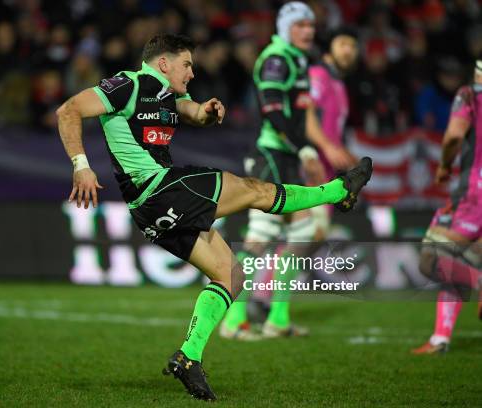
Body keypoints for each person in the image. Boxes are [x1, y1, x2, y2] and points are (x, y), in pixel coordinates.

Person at [56, 33, 372, 401]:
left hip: (149, 208)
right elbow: (69, 110)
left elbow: (188, 111)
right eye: (187, 64)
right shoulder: (128, 84)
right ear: (164, 63)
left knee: (231, 274)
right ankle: (337, 192)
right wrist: (81, 166)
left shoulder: (168, 94)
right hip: (158, 188)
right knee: (253, 189)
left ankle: (188, 357)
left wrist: (205, 112)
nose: (191, 72)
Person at [221, 2, 357, 341]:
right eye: (299, 25)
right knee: (260, 237)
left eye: (310, 26)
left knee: (303, 232)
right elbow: (273, 113)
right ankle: (234, 320)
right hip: (270, 154)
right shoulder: (277, 58)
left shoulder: (297, 59)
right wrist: (308, 148)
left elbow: (298, 116)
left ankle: (278, 319)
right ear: (284, 27)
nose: (308, 31)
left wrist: (304, 150)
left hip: (286, 156)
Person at [412, 59, 482, 355]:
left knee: (432, 257)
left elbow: (454, 134)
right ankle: (441, 338)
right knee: (460, 262)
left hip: (474, 193)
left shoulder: (470, 94)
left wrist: (443, 165)